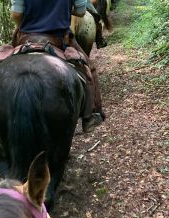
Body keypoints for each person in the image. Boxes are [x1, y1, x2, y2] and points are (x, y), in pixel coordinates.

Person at [11, 0, 105, 133]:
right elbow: (81, 12)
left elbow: (16, 15)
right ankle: (90, 115)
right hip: (59, 38)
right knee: (89, 68)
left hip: (27, 37)